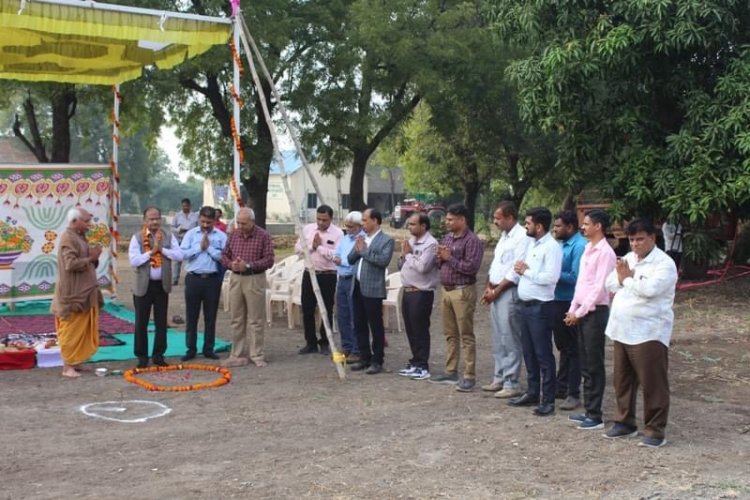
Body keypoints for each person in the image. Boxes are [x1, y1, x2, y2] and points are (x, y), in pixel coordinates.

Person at [603, 218, 678, 448]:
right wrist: (625, 279)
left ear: (652, 239)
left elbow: (649, 290)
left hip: (648, 331)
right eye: (632, 240)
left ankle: (655, 431)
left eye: (640, 239)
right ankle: (625, 422)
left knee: (652, 382)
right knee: (622, 380)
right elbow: (609, 284)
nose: (635, 244)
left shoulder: (664, 264)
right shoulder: (628, 259)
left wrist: (627, 279)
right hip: (622, 329)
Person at [563, 209, 617, 430]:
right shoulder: (588, 249)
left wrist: (581, 311)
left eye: (586, 224)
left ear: (598, 227)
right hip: (582, 311)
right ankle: (588, 410)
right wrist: (572, 308)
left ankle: (595, 415)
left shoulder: (606, 253)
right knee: (585, 362)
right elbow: (582, 284)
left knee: (594, 363)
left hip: (595, 312)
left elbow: (598, 288)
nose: (582, 227)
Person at [508, 207, 562, 417]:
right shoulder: (532, 244)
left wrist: (526, 271)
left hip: (541, 306)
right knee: (528, 351)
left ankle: (548, 400)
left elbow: (550, 278)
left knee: (543, 354)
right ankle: (532, 392)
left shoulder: (552, 248)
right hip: (526, 304)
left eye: (528, 223)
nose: (525, 226)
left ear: (539, 226)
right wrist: (523, 269)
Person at [430, 203, 484, 392]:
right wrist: (440, 256)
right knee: (450, 333)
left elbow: (471, 268)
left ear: (462, 220)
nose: (447, 222)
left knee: (466, 334)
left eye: (451, 219)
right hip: (446, 290)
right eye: (447, 219)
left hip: (462, 291)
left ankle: (469, 375)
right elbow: (440, 263)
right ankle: (451, 370)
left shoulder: (472, 241)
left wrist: (448, 257)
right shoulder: (447, 237)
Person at [480, 201, 529, 398]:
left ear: (510, 218)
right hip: (495, 290)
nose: (495, 221)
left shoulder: (522, 237)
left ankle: (512, 381)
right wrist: (488, 286)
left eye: (498, 218)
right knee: (498, 336)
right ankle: (499, 376)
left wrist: (497, 290)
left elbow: (515, 270)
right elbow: (496, 264)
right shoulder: (504, 237)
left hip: (508, 291)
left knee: (510, 338)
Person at [128, 207, 183, 368]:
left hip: (161, 286)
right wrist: (151, 252)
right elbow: (134, 261)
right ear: (144, 220)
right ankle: (142, 357)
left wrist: (162, 250)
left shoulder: (168, 236)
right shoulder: (137, 237)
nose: (154, 222)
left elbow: (179, 255)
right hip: (142, 286)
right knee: (141, 322)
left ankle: (158, 356)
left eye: (157, 218)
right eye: (151, 219)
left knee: (161, 322)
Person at [52, 208, 103, 378]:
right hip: (73, 294)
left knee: (81, 329)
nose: (90, 225)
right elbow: (70, 264)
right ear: (75, 221)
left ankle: (76, 361)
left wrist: (93, 258)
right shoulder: (68, 238)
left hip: (85, 291)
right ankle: (67, 367)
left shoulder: (79, 237)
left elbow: (86, 261)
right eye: (86, 221)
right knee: (71, 329)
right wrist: (91, 258)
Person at [221, 207, 275, 368]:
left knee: (256, 320)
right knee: (236, 318)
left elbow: (269, 260)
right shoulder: (233, 234)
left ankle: (257, 354)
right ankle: (236, 353)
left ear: (252, 221)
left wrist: (249, 265)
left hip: (254, 278)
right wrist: (232, 264)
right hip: (236, 278)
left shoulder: (263, 236)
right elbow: (224, 255)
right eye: (238, 222)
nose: (240, 226)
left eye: (244, 223)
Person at [347, 208, 394, 374]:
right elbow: (350, 259)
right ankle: (364, 357)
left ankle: (377, 360)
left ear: (375, 220)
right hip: (357, 286)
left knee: (375, 325)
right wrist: (357, 248)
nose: (363, 224)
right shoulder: (362, 237)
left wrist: (364, 251)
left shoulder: (386, 240)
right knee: (359, 324)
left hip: (373, 288)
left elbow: (382, 261)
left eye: (365, 220)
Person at [179, 206, 227, 361]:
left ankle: (208, 349)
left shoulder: (221, 236)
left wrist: (210, 248)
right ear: (199, 218)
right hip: (194, 278)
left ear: (214, 220)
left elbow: (224, 258)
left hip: (212, 280)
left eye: (209, 222)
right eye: (203, 221)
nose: (205, 225)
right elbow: (182, 254)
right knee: (191, 316)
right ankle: (190, 349)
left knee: (210, 316)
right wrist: (199, 247)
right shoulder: (191, 234)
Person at [295, 205, 343, 355]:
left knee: (326, 309)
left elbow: (338, 255)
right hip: (310, 273)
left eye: (325, 220)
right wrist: (311, 246)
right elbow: (297, 248)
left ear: (331, 219)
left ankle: (325, 341)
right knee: (307, 309)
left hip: (328, 275)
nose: (321, 223)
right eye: (318, 219)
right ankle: (310, 342)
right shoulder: (308, 229)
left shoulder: (338, 233)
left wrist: (321, 248)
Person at [550, 210, 586, 410]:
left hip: (570, 301)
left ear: (570, 227)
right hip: (557, 299)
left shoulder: (579, 246)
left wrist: (553, 273)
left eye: (558, 226)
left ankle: (573, 392)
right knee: (563, 347)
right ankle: (561, 386)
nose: (555, 230)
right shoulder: (561, 245)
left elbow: (575, 277)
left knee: (573, 349)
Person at [397, 212, 439, 380]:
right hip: (407, 291)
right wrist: (403, 256)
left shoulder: (431, 244)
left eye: (413, 224)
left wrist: (408, 254)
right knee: (411, 329)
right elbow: (403, 265)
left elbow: (423, 267)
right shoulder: (411, 242)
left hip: (421, 292)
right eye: (409, 224)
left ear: (423, 226)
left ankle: (423, 365)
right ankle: (415, 362)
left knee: (420, 329)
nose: (410, 227)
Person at [332, 211, 364, 363]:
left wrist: (342, 262)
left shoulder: (362, 239)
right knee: (342, 314)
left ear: (359, 226)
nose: (348, 229)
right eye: (347, 226)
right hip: (341, 278)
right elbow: (336, 253)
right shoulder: (345, 239)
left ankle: (357, 349)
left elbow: (355, 261)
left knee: (354, 315)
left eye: (351, 226)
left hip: (353, 278)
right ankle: (347, 346)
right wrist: (336, 258)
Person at [171, 198, 199, 286]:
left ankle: (190, 278)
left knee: (191, 259)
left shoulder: (195, 216)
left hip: (191, 241)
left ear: (190, 206)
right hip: (180, 239)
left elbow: (198, 228)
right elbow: (172, 228)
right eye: (183, 206)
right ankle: (175, 279)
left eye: (186, 206)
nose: (185, 207)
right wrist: (179, 230)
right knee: (177, 260)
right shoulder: (177, 216)